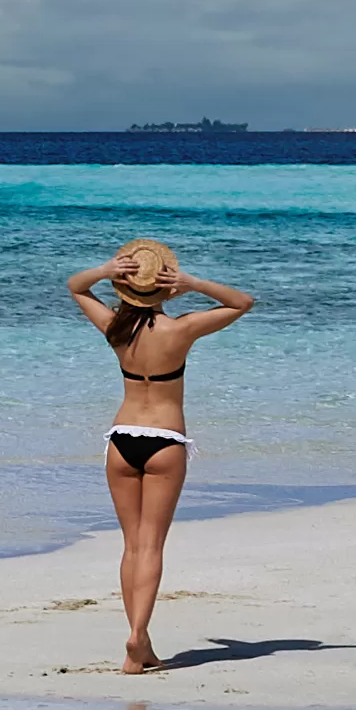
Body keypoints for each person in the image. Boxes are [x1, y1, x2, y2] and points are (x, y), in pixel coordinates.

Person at [62, 237, 255, 674]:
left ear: (124, 290)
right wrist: (192, 282)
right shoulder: (181, 330)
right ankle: (138, 636)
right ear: (166, 290)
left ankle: (140, 643)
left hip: (122, 438)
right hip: (165, 439)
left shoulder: (114, 329)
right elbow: (242, 302)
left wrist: (105, 270)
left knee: (131, 546)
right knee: (152, 545)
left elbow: (76, 287)